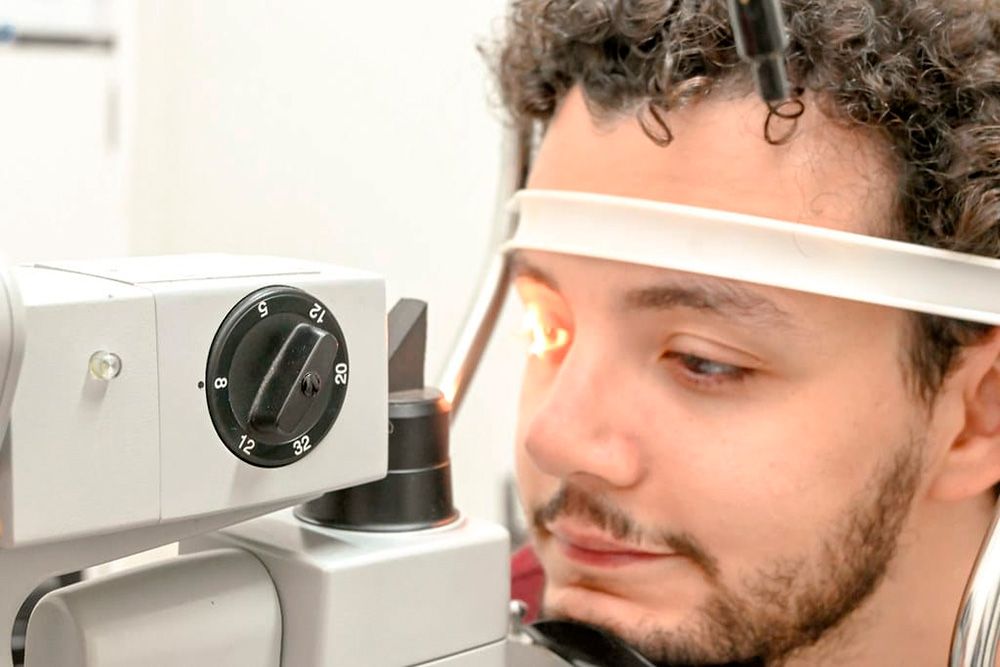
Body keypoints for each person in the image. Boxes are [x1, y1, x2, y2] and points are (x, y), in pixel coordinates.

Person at [488, 1, 1000, 665]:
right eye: (547, 331)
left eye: (701, 361)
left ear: (978, 415)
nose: (554, 440)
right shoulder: (445, 633)